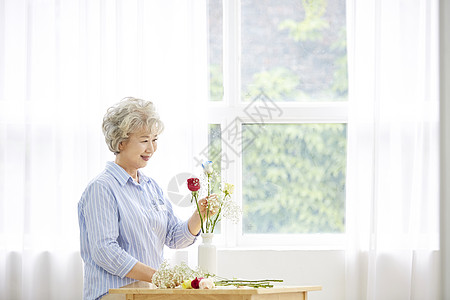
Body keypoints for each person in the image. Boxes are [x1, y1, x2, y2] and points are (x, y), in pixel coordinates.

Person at [78, 97, 215, 300]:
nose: (151, 148)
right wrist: (157, 276)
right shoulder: (102, 188)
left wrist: (199, 216)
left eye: (155, 139)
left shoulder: (151, 187)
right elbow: (105, 251)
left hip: (147, 293)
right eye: (144, 140)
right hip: (114, 295)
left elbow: (174, 237)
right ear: (121, 142)